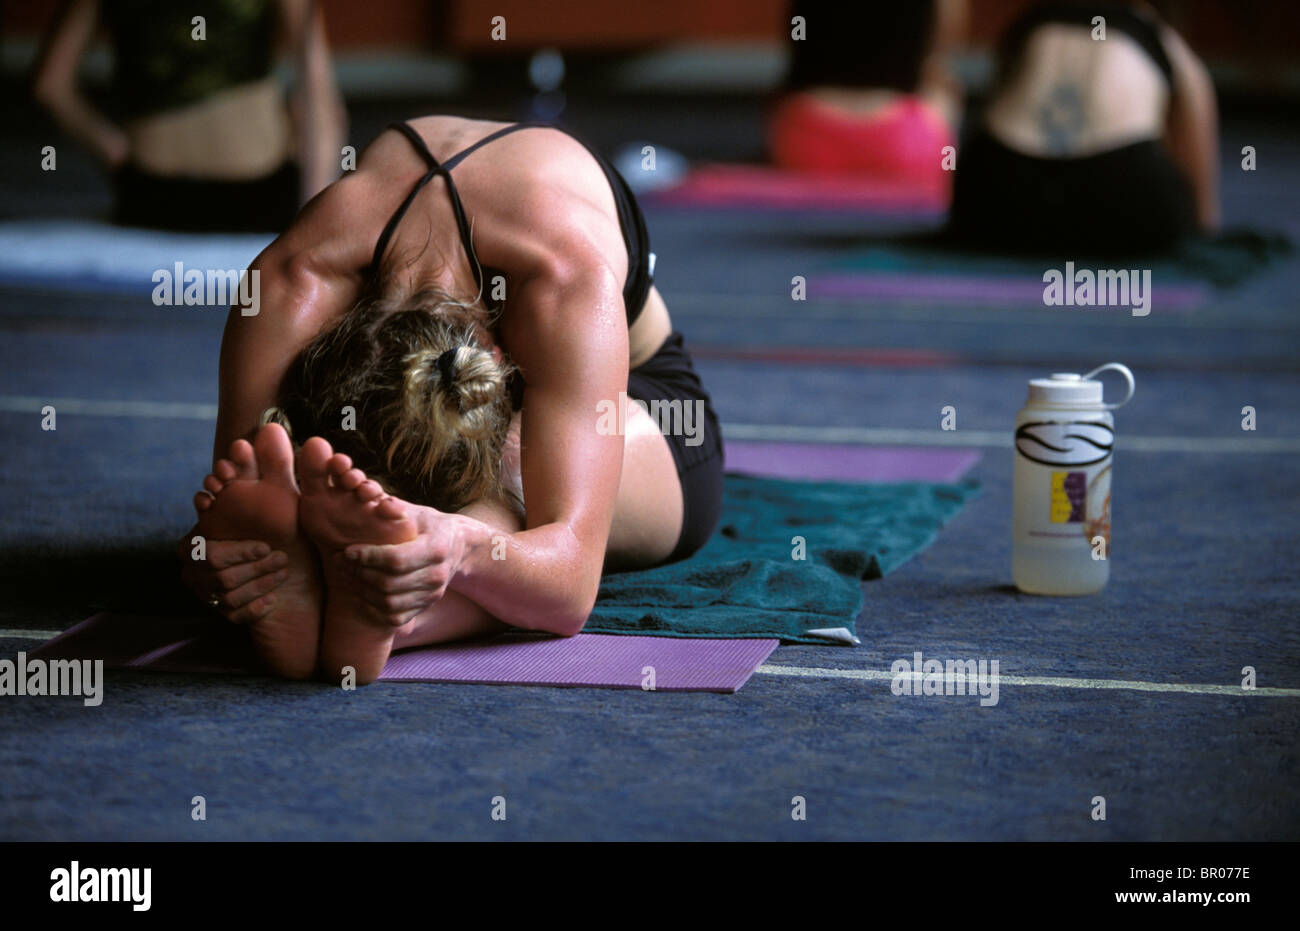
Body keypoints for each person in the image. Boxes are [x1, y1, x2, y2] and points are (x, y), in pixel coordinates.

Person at [179, 116, 725, 684]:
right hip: (425, 395)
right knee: (293, 469)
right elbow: (232, 498)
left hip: (646, 403)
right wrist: (221, 566)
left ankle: (403, 614)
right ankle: (362, 580)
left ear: (495, 354)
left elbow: (570, 585)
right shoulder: (291, 280)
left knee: (518, 460)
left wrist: (459, 543)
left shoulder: (565, 280)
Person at [32, 0, 346, 232]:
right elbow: (319, 97)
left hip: (152, 197)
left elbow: (50, 86)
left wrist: (114, 152)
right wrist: (312, 228)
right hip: (260, 194)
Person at [949, 0, 1219, 253]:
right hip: (1123, 189)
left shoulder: (1030, 24)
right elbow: (1198, 171)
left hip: (1000, 189)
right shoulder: (1156, 32)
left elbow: (991, 108)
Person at [768, 0, 966, 193]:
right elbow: (942, 46)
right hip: (909, 145)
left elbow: (795, 36)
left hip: (803, 139)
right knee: (943, 87)